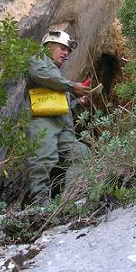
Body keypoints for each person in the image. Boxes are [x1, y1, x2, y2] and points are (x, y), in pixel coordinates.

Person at [26, 30, 92, 204]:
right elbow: (40, 74)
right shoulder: (39, 60)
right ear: (49, 46)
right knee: (44, 159)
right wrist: (72, 86)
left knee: (81, 153)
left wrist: (78, 103)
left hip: (63, 128)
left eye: (68, 51)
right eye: (62, 48)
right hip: (43, 122)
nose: (66, 53)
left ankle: (71, 200)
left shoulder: (57, 76)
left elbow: (60, 106)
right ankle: (39, 205)